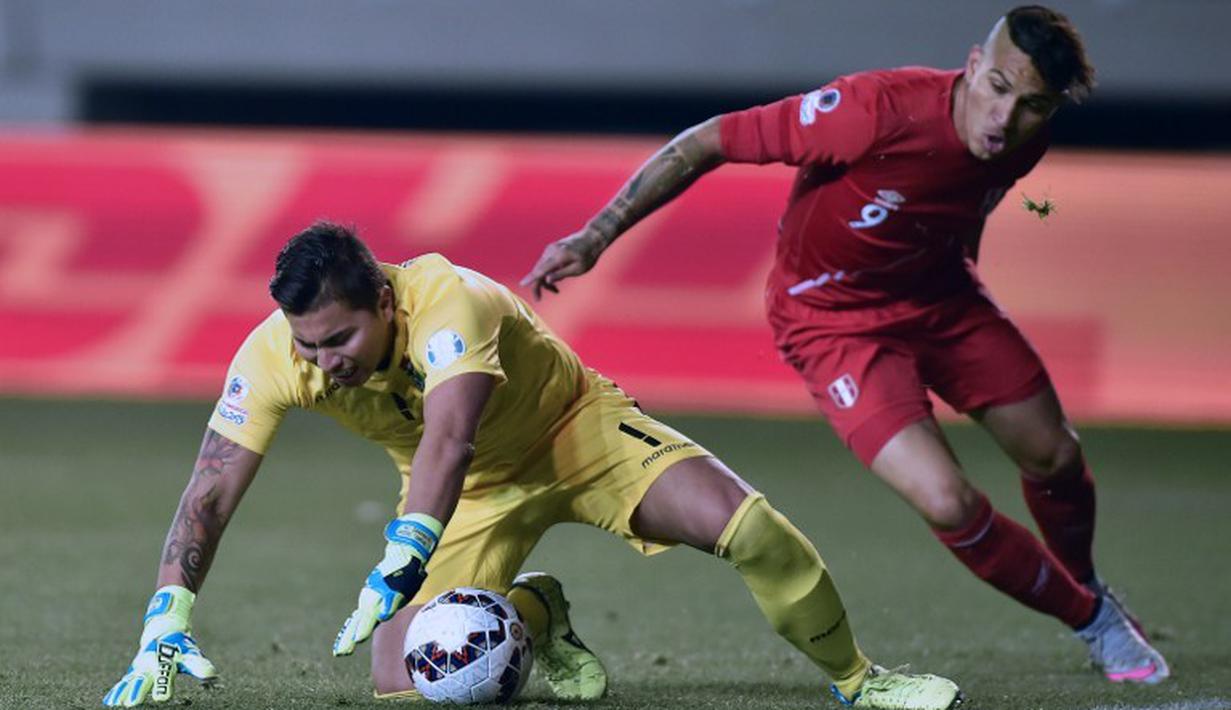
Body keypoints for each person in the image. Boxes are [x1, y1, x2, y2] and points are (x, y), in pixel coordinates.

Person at [523, 4, 1168, 686]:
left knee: (1056, 454)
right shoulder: (870, 110)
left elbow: (961, 202)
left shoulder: (1021, 141)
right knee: (946, 501)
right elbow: (705, 141)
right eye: (997, 88)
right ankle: (1092, 619)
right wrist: (595, 235)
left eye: (1031, 104)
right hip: (832, 324)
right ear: (973, 66)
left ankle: (1085, 580)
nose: (1003, 118)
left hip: (941, 296)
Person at [102, 222, 963, 709]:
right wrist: (165, 614)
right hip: (463, 497)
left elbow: (450, 436)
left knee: (749, 531)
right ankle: (530, 613)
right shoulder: (274, 357)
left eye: (340, 340)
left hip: (574, 434)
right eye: (307, 345)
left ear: (384, 299)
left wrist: (399, 562)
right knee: (401, 687)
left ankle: (860, 680)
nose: (324, 361)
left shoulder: (449, 299)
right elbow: (209, 490)